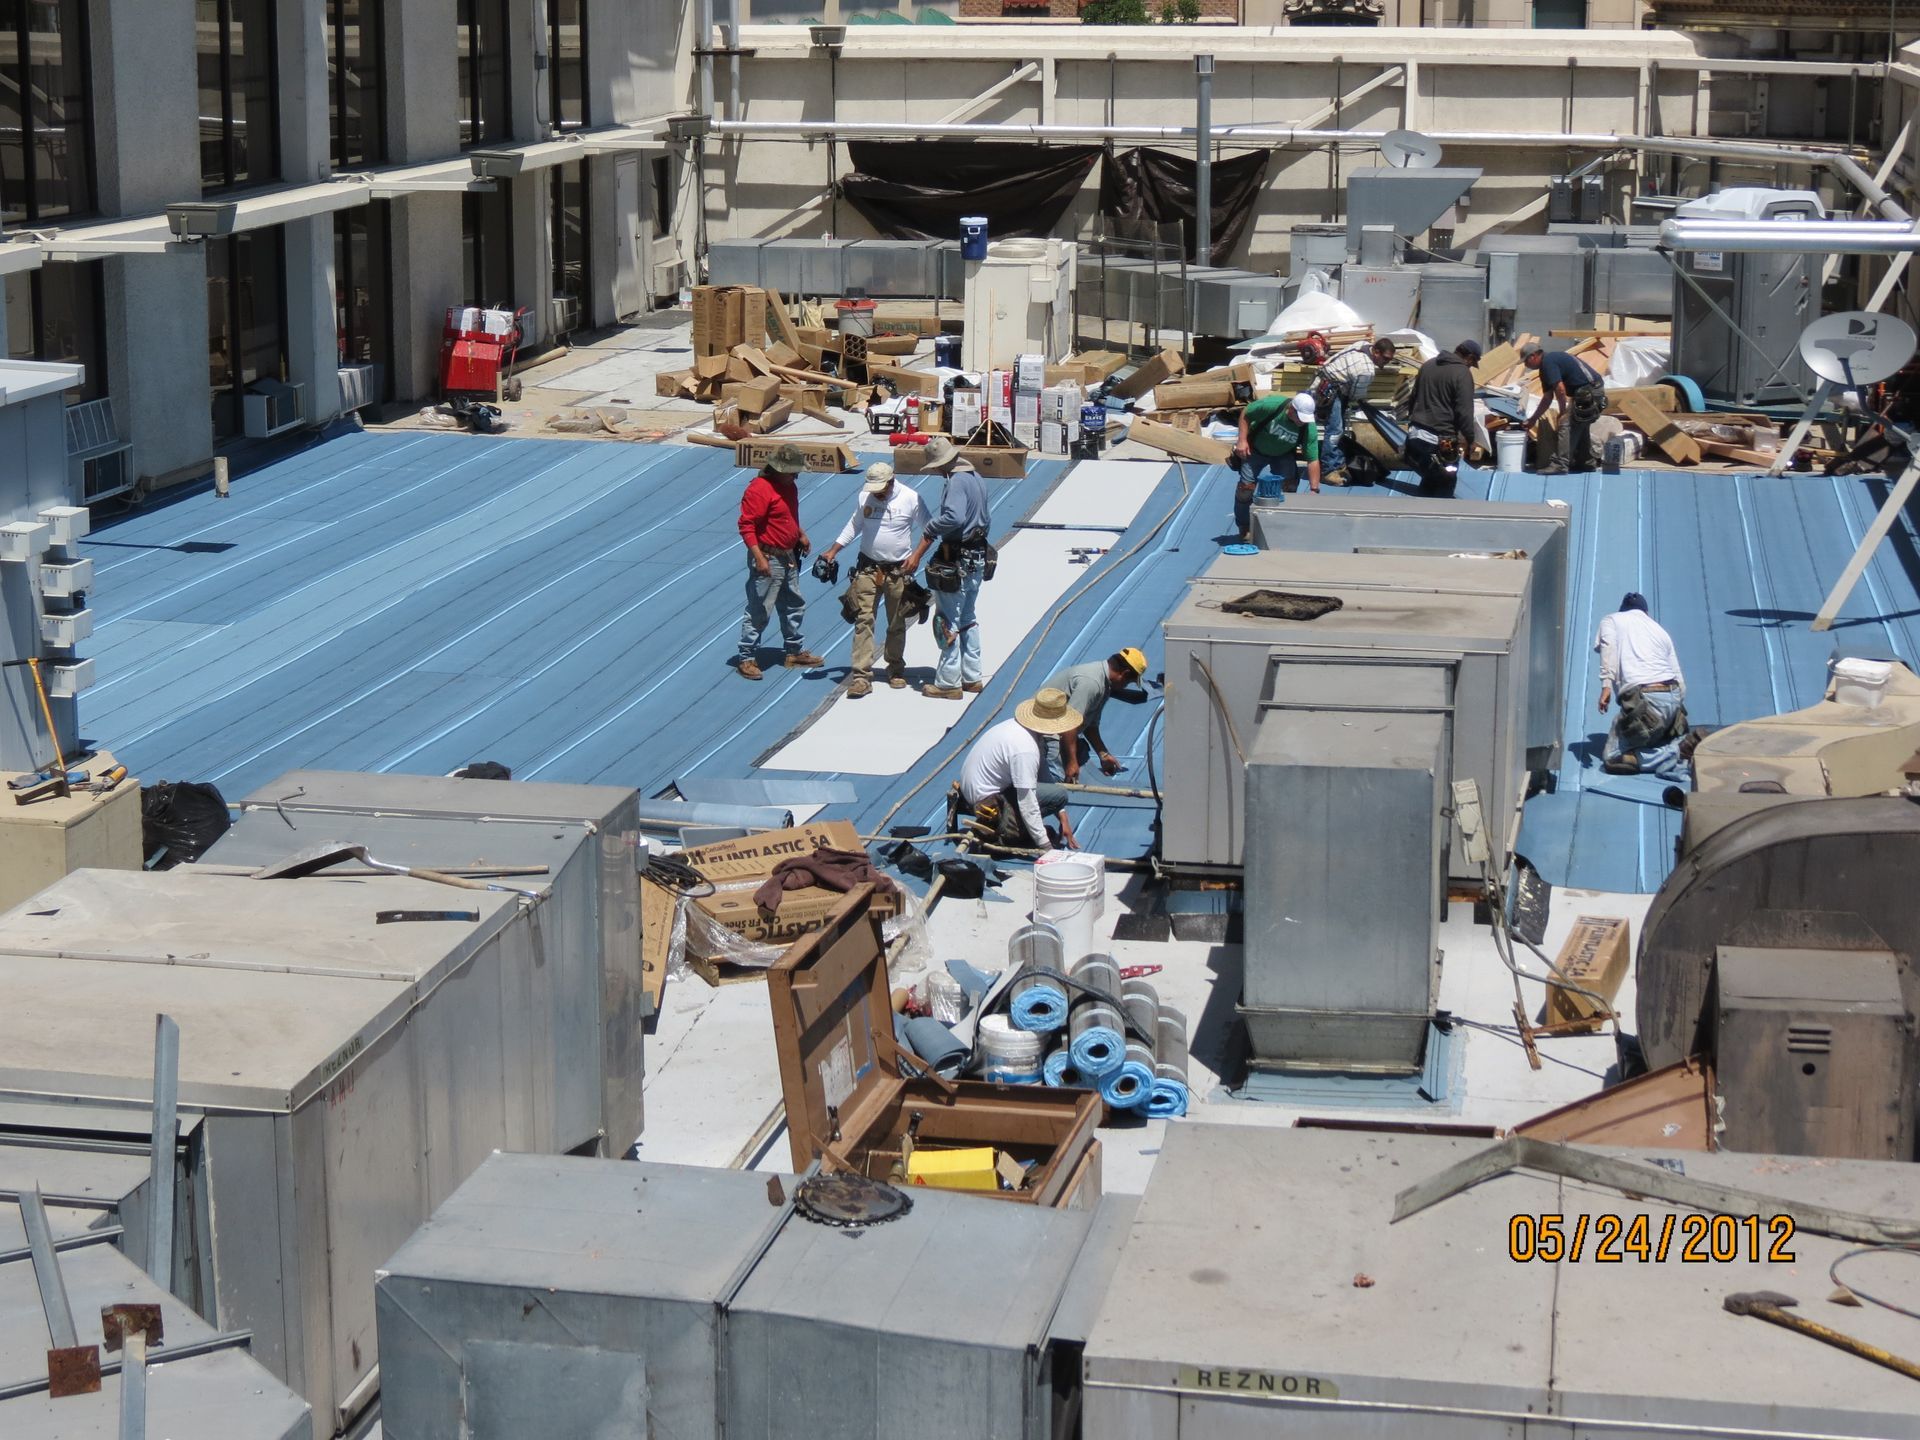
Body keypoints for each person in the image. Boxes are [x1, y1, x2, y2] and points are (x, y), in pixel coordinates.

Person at [817, 462, 930, 697]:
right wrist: (833, 550)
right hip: (868, 568)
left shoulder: (911, 498)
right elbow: (854, 525)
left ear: (891, 481)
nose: (877, 492)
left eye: (881, 488)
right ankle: (861, 676)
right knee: (863, 619)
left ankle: (896, 668)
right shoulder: (865, 497)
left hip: (898, 571)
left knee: (897, 621)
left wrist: (916, 556)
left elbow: (930, 529)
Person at [903, 436, 992, 700]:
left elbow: (954, 516)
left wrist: (930, 529)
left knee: (946, 619)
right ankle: (972, 676)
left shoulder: (956, 481)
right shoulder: (976, 478)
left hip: (957, 558)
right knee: (968, 618)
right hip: (976, 557)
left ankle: (948, 682)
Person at [734, 443, 823, 680]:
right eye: (793, 470)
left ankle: (793, 651)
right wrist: (759, 558)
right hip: (768, 557)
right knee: (760, 608)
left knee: (793, 603)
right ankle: (747, 657)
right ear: (778, 468)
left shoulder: (789, 486)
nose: (797, 474)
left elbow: (787, 515)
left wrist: (799, 533)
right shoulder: (759, 489)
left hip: (787, 555)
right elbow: (747, 526)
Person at [959, 687, 1082, 853]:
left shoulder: (1020, 729)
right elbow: (1027, 801)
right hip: (988, 804)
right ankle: (1008, 830)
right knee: (1059, 795)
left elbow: (1043, 772)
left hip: (981, 792)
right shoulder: (1025, 748)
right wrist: (1045, 846)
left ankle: (1022, 829)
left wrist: (1062, 816)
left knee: (1054, 793)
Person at [1595, 592, 1696, 776]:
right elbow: (1680, 681)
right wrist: (1672, 717)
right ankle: (1675, 744)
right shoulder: (1660, 631)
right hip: (1672, 697)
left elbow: (1607, 646)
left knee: (1613, 757)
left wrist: (1606, 686)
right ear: (1646, 612)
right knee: (1652, 736)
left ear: (1622, 610)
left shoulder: (1612, 620)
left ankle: (1675, 752)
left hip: (1645, 699)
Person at [1041, 648, 1149, 783]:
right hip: (1047, 736)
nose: (1124, 687)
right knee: (1059, 789)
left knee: (1080, 752)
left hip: (1058, 734)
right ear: (1124, 673)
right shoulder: (1091, 683)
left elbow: (1090, 725)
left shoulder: (1104, 683)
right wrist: (1071, 763)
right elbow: (1069, 725)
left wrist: (1103, 754)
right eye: (1128, 683)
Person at [1231, 388, 1322, 540]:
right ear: (1291, 409)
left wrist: (1314, 489)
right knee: (1245, 489)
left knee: (1289, 488)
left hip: (1282, 454)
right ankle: (1245, 527)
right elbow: (1246, 414)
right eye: (1300, 417)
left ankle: (1282, 524)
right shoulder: (1272, 405)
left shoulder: (1308, 427)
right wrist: (1242, 440)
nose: (1302, 422)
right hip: (1256, 450)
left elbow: (1312, 459)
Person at [1404, 339, 1482, 499]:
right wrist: (1470, 438)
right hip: (1443, 441)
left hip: (1415, 435)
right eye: (1472, 363)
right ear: (1470, 357)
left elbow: (1412, 398)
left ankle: (1420, 514)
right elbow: (1464, 411)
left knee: (1429, 477)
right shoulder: (1462, 373)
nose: (1470, 367)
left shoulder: (1428, 365)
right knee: (1446, 481)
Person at [1316, 336, 1400, 484]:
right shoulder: (1366, 370)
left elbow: (1336, 358)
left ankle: (1337, 462)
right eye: (1385, 359)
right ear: (1376, 352)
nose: (1386, 363)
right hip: (1332, 390)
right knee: (1335, 431)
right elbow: (1357, 396)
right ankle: (1328, 471)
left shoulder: (1362, 345)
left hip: (1323, 382)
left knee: (1337, 429)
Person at [1522, 341, 1605, 475]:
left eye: (1526, 361)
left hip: (1590, 391)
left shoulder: (1548, 362)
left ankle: (1560, 465)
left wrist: (1563, 413)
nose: (1525, 365)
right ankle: (1586, 463)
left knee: (1566, 425)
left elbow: (1560, 389)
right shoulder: (1546, 367)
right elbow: (1547, 398)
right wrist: (1532, 420)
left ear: (1533, 356)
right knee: (1580, 426)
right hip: (1588, 391)